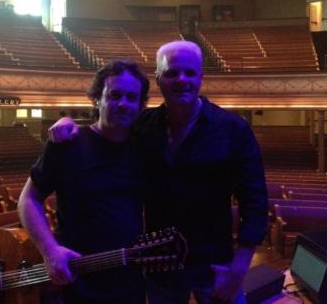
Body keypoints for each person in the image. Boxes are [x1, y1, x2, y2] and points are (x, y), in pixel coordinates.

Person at [49, 41, 268, 304]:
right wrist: (70, 124)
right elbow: (108, 128)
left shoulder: (233, 129)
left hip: (215, 266)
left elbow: (254, 201)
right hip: (159, 264)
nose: (181, 79)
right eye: (172, 73)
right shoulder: (143, 125)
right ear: (158, 79)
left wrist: (238, 269)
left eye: (190, 73)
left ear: (201, 77)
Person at [18, 60, 150, 304]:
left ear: (141, 106)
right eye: (114, 95)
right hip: (74, 280)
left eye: (132, 97)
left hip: (128, 279)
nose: (123, 103)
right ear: (97, 99)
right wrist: (49, 251)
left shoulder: (145, 147)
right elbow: (29, 200)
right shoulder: (67, 145)